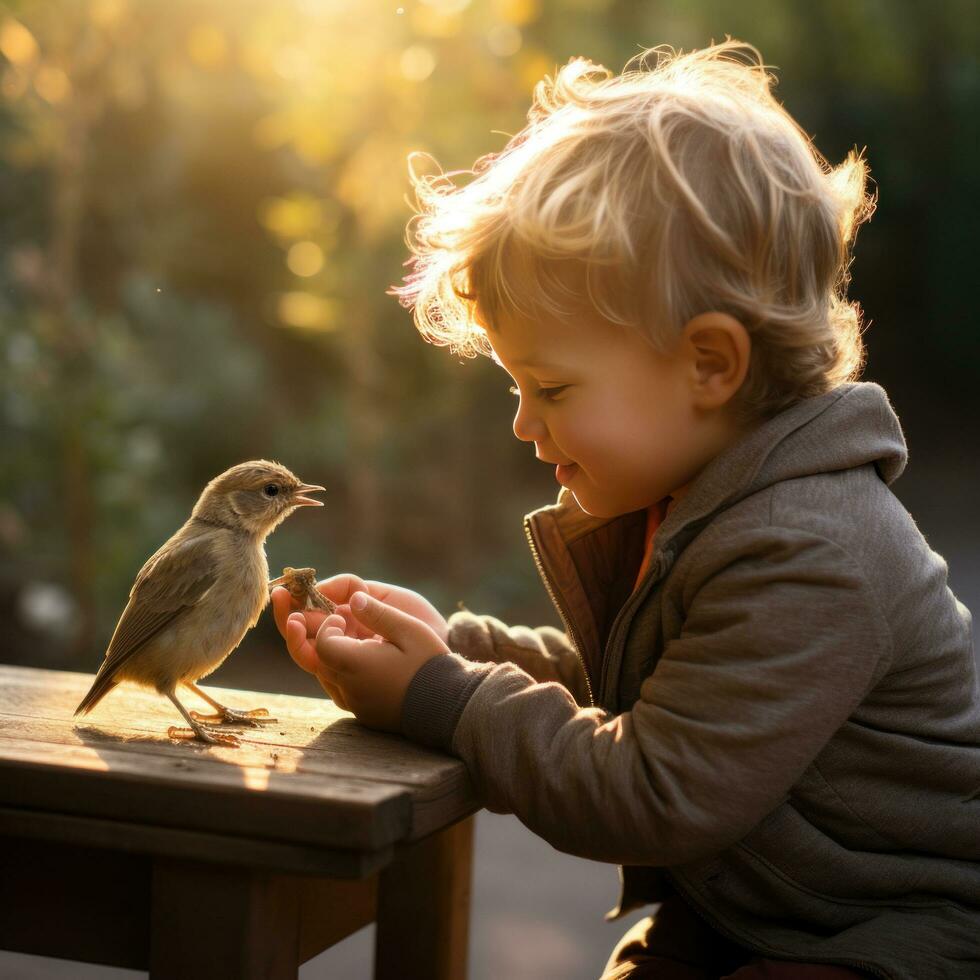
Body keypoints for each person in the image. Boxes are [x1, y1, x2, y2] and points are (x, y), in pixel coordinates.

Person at [271, 40, 979, 980]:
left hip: (898, 930)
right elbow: (648, 696)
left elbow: (651, 786)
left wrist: (445, 696)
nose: (524, 424)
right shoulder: (704, 503)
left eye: (553, 388)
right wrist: (455, 651)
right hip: (760, 912)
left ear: (710, 364)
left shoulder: (809, 549)